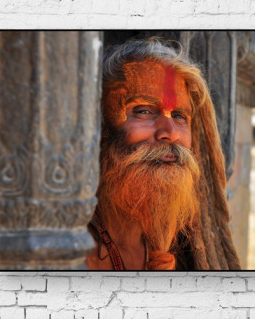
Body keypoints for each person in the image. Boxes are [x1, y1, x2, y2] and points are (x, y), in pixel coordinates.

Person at [85, 39, 241, 271]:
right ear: (100, 124)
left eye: (179, 116)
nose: (170, 133)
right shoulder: (70, 243)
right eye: (143, 111)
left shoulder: (183, 249)